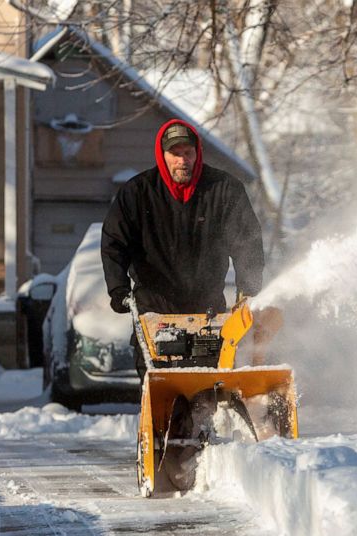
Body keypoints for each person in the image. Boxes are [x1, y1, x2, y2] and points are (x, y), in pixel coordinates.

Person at [101, 119, 264, 378]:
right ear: (162, 155)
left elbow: (247, 239)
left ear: (197, 153)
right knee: (158, 390)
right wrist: (117, 287)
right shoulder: (137, 193)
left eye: (188, 153)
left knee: (208, 388)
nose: (182, 160)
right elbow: (114, 243)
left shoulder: (223, 190)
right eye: (174, 154)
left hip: (207, 311)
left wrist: (249, 282)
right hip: (154, 312)